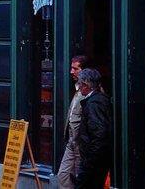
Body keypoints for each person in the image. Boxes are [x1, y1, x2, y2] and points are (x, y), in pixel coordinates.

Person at [75, 68, 112, 189]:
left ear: (85, 85)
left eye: (79, 84)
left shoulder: (93, 104)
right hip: (94, 159)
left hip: (93, 161)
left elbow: (99, 134)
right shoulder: (98, 99)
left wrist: (89, 162)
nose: (79, 88)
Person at [58, 55, 88, 189]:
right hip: (71, 141)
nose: (71, 72)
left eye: (75, 69)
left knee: (80, 177)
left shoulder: (90, 92)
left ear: (84, 71)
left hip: (81, 143)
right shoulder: (77, 88)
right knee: (63, 175)